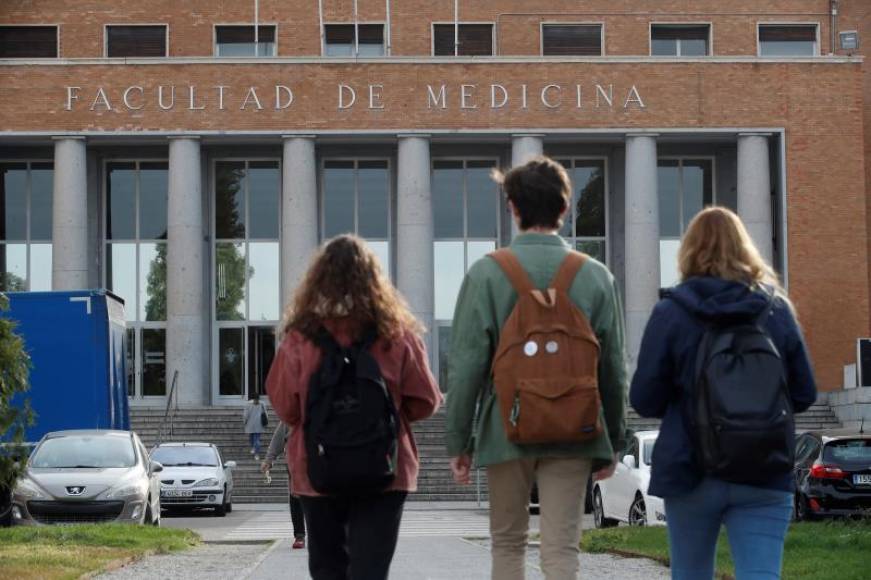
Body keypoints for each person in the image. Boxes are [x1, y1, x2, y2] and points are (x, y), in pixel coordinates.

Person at [446, 156, 628, 580]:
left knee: (508, 544)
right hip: (576, 429)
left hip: (505, 429)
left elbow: (466, 366)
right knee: (562, 550)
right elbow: (613, 368)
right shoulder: (596, 276)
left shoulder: (486, 274)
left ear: (512, 206)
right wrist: (614, 440)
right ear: (564, 208)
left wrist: (459, 442)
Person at [630, 207, 817, 580]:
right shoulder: (776, 310)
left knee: (690, 572)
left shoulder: (671, 312)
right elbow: (804, 392)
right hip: (764, 467)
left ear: (688, 251)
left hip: (691, 468)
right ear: (745, 249)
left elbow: (644, 400)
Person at [267, 234, 442, 580]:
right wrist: (386, 415)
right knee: (370, 571)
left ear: (318, 281)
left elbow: (286, 408)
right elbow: (427, 400)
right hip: (385, 465)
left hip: (317, 468)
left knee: (328, 568)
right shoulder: (397, 334)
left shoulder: (299, 339)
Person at [261, 421, 306, 549]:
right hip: (295, 463)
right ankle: (299, 535)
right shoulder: (290, 417)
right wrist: (269, 459)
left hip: (316, 462)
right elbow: (278, 439)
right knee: (296, 498)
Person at [242, 394, 266, 460]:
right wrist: (245, 421)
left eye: (257, 400)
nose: (257, 401)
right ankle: (253, 448)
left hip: (258, 425)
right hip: (251, 424)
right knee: (251, 438)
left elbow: (265, 413)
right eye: (256, 400)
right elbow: (246, 415)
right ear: (253, 399)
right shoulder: (248, 404)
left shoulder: (262, 404)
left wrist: (265, 421)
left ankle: (257, 454)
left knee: (257, 440)